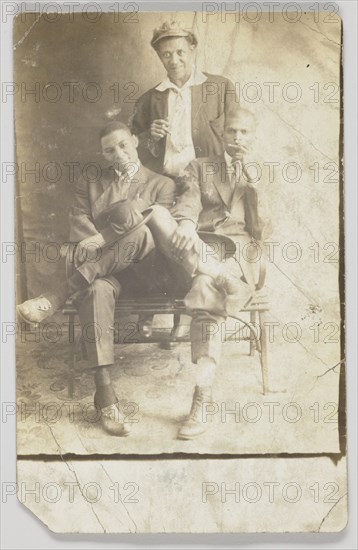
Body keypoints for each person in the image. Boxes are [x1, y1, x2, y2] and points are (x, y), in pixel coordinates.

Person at [17, 121, 251, 438]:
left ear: (135, 143)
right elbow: (80, 233)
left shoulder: (162, 184)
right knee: (97, 287)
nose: (118, 154)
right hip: (110, 272)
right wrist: (110, 235)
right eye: (109, 150)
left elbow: (154, 237)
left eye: (123, 145)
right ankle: (106, 397)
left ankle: (58, 295)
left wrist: (109, 234)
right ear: (102, 154)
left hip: (157, 272)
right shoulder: (90, 182)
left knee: (145, 225)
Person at [170, 107, 269, 440]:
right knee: (204, 278)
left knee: (205, 287)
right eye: (231, 132)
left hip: (241, 254)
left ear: (253, 136)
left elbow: (265, 230)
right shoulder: (200, 167)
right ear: (221, 135)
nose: (237, 138)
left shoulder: (262, 173)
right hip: (203, 247)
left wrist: (256, 186)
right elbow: (187, 202)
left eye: (244, 132)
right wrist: (185, 222)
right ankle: (204, 396)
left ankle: (202, 395)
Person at [131, 20, 238, 178]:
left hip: (211, 185)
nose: (174, 61)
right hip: (164, 184)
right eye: (166, 55)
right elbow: (130, 150)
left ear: (192, 50)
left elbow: (240, 137)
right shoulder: (147, 100)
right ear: (159, 56)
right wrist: (149, 137)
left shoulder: (221, 88)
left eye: (180, 52)